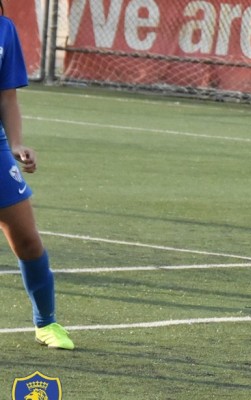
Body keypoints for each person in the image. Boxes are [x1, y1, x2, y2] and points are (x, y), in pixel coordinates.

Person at [0, 3, 74, 349]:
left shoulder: (4, 28)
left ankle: (47, 324)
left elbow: (8, 96)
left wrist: (16, 143)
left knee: (26, 238)